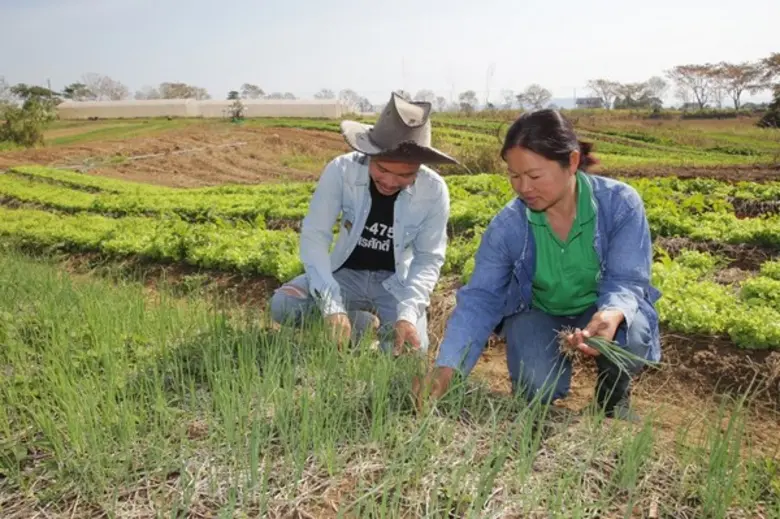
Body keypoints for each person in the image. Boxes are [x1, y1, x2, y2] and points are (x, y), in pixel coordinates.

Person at [415, 109, 662, 420]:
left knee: (631, 331)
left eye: (533, 176)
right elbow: (481, 298)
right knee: (535, 386)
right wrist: (448, 369)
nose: (523, 188)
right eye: (514, 176)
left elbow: (627, 279)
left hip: (598, 307)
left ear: (571, 162)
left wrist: (610, 313)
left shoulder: (619, 204)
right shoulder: (509, 226)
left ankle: (612, 397)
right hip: (540, 311)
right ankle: (536, 389)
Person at [270, 92, 459, 354]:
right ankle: (359, 324)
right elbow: (315, 234)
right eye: (382, 169)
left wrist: (407, 313)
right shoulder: (342, 170)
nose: (391, 182)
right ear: (369, 154)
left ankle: (381, 335)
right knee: (284, 305)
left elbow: (428, 258)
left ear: (419, 167)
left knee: (413, 349)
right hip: (344, 274)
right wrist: (331, 305)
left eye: (405, 175)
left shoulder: (434, 190)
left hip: (395, 284)